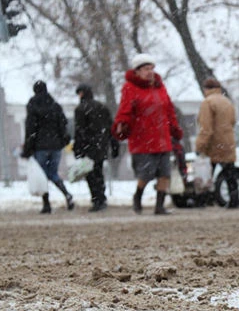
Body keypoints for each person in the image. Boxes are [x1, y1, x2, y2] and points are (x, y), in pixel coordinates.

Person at [112, 53, 183, 215]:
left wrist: (174, 128)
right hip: (143, 138)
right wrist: (121, 124)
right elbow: (125, 109)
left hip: (162, 137)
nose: (149, 72)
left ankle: (160, 206)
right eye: (145, 69)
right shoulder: (130, 88)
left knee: (165, 174)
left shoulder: (160, 87)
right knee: (146, 174)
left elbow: (169, 109)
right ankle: (138, 197)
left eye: (151, 68)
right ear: (137, 71)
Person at [21, 80, 74, 214]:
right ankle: (66, 194)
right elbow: (63, 124)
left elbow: (30, 127)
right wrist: (63, 139)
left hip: (40, 146)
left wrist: (28, 147)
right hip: (56, 146)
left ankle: (47, 204)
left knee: (42, 175)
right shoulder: (55, 105)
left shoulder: (33, 105)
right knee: (52, 173)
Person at [74, 84, 119, 212]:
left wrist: (77, 149)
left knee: (90, 174)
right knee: (98, 172)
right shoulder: (102, 107)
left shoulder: (80, 109)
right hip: (101, 145)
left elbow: (79, 131)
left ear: (81, 94)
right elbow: (111, 127)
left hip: (87, 146)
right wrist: (114, 145)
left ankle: (96, 199)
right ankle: (101, 198)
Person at [195, 77, 238, 208]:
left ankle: (203, 200)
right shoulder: (227, 101)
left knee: (206, 173)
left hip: (214, 143)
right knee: (230, 173)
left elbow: (206, 128)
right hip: (228, 141)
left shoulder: (207, 103)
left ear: (205, 89)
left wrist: (200, 145)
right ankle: (234, 199)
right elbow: (233, 121)